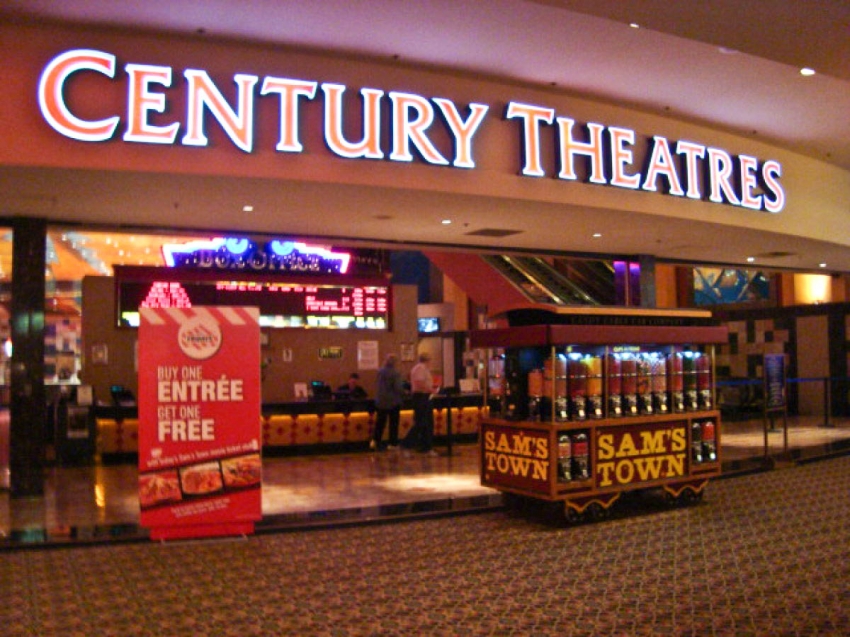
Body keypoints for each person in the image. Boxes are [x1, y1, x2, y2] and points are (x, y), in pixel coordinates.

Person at [402, 352, 437, 455]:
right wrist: (431, 390)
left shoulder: (423, 369)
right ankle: (406, 444)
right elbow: (419, 383)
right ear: (427, 359)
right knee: (421, 422)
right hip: (421, 397)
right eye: (430, 359)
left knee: (427, 423)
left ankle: (426, 446)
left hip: (424, 396)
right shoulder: (420, 368)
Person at [372, 355, 404, 451]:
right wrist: (405, 391)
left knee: (380, 423)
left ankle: (375, 441)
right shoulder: (395, 373)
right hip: (393, 401)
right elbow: (398, 388)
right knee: (393, 423)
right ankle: (392, 443)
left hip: (380, 400)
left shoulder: (380, 372)